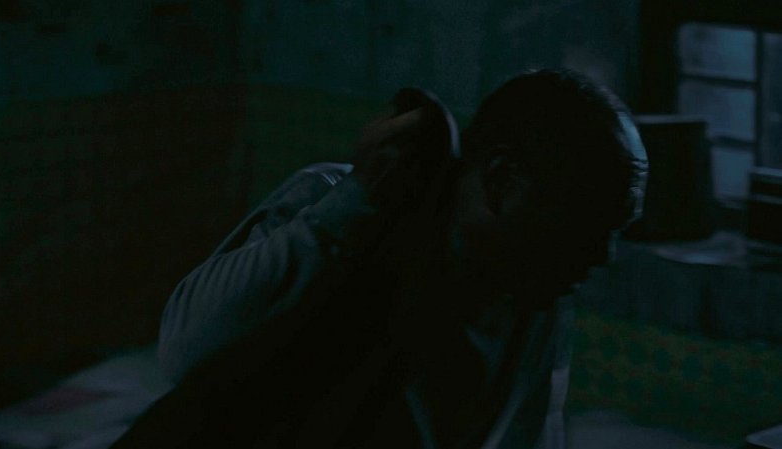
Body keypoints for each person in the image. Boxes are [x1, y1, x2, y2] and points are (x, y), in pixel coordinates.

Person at [111, 69, 647, 449]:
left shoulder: (538, 298)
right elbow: (185, 350)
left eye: (615, 231)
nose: (603, 255)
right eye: (584, 223)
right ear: (502, 181)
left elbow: (528, 433)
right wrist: (357, 202)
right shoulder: (340, 206)